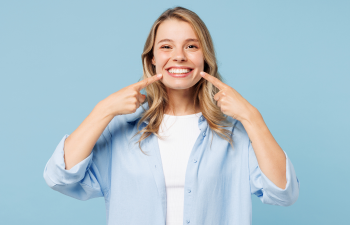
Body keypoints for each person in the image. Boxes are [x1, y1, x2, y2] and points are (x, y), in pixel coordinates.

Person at [43, 6, 300, 225]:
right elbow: (59, 177)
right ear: (152, 58)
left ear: (205, 58)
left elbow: (283, 193)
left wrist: (253, 118)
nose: (179, 56)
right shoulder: (123, 131)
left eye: (191, 46)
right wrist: (103, 110)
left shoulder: (235, 133)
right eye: (166, 46)